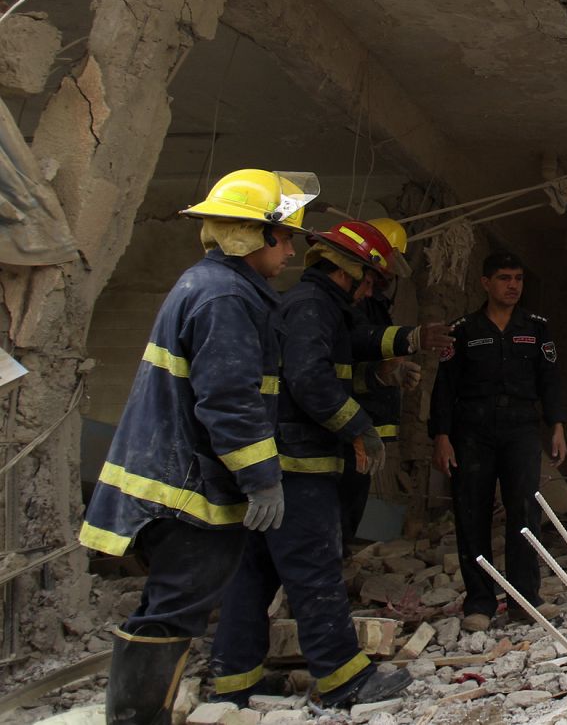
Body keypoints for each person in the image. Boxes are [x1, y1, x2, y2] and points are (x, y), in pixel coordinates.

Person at [79, 169, 317, 725]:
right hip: (182, 491)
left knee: (168, 607)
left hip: (172, 480)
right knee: (171, 612)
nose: (291, 251)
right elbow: (229, 400)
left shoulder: (209, 285)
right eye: (287, 237)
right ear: (257, 236)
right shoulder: (227, 297)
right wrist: (262, 478)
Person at [211, 219, 413, 709]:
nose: (371, 289)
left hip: (281, 464)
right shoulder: (312, 307)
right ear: (350, 269)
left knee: (257, 571)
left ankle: (237, 680)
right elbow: (309, 380)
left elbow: (337, 366)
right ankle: (344, 682)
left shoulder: (320, 308)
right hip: (300, 467)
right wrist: (359, 427)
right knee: (314, 569)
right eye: (371, 277)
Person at [430, 252, 567, 631]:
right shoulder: (463, 330)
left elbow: (550, 380)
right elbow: (444, 387)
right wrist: (441, 436)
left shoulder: (536, 328)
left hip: (521, 428)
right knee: (471, 512)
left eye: (519, 278)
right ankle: (480, 603)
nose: (513, 286)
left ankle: (525, 600)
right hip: (471, 430)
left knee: (525, 512)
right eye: (504, 278)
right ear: (485, 283)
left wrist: (557, 424)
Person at [340, 217, 450, 549]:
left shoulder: (374, 302)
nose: (384, 280)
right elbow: (359, 344)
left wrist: (390, 372)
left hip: (361, 425)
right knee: (336, 517)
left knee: (347, 515)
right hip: (345, 428)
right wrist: (410, 339)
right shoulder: (353, 305)